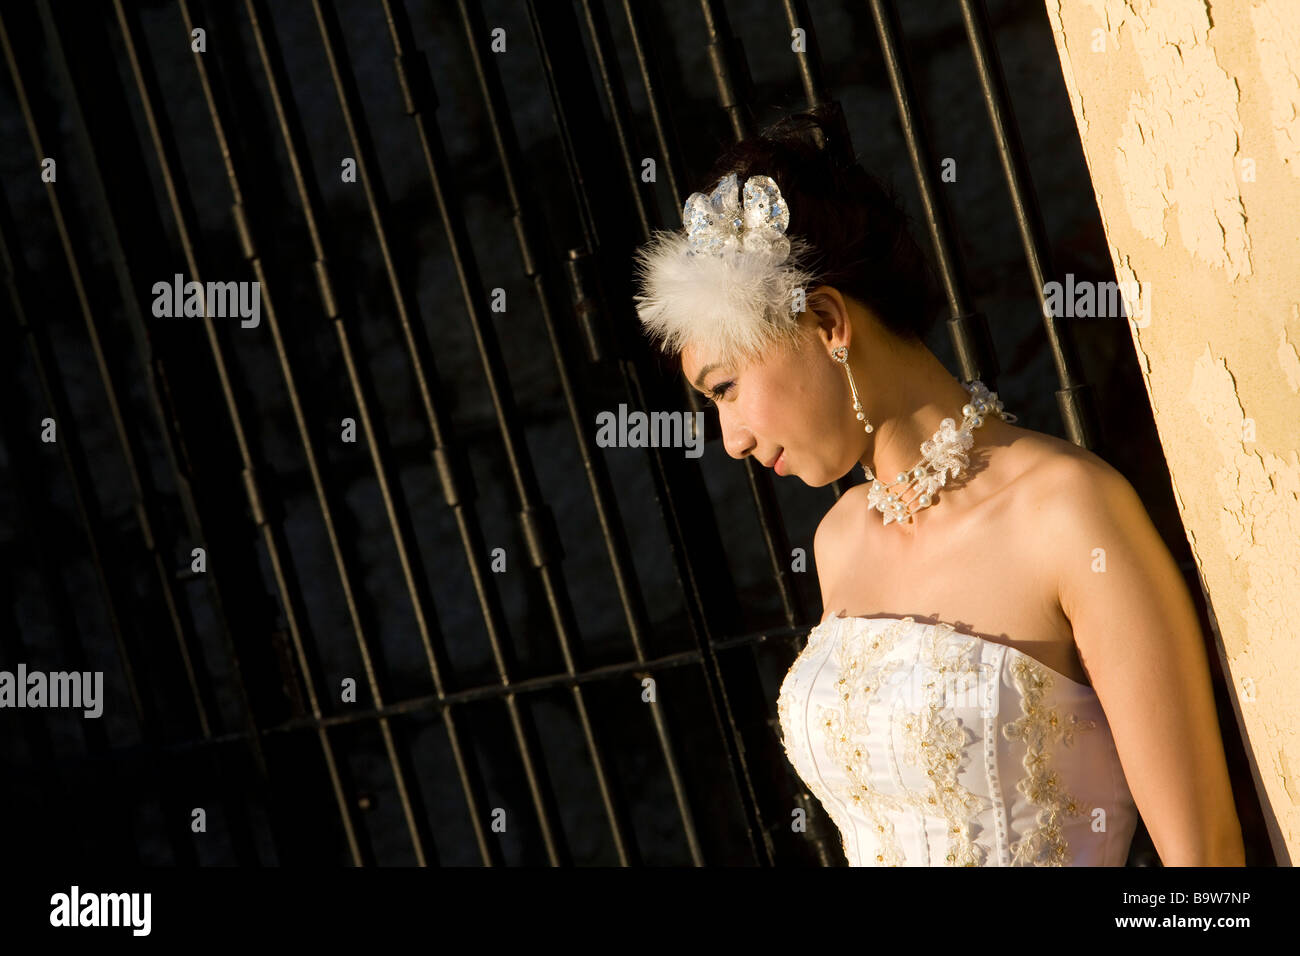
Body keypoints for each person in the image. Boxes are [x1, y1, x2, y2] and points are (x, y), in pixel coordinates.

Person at [631, 107, 1245, 866]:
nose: (730, 440)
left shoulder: (1069, 513)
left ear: (827, 321)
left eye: (724, 387)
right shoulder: (840, 541)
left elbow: (1206, 868)